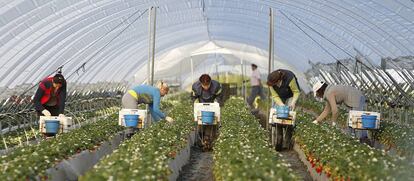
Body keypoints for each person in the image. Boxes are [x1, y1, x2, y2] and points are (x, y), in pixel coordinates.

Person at [267, 69, 301, 151]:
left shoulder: (290, 78)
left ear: (279, 80)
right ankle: (279, 137)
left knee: (289, 115)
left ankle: (287, 141)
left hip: (291, 95)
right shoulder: (271, 81)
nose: (273, 85)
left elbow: (296, 92)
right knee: (279, 114)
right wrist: (281, 105)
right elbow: (275, 96)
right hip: (280, 97)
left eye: (275, 83)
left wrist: (293, 102)